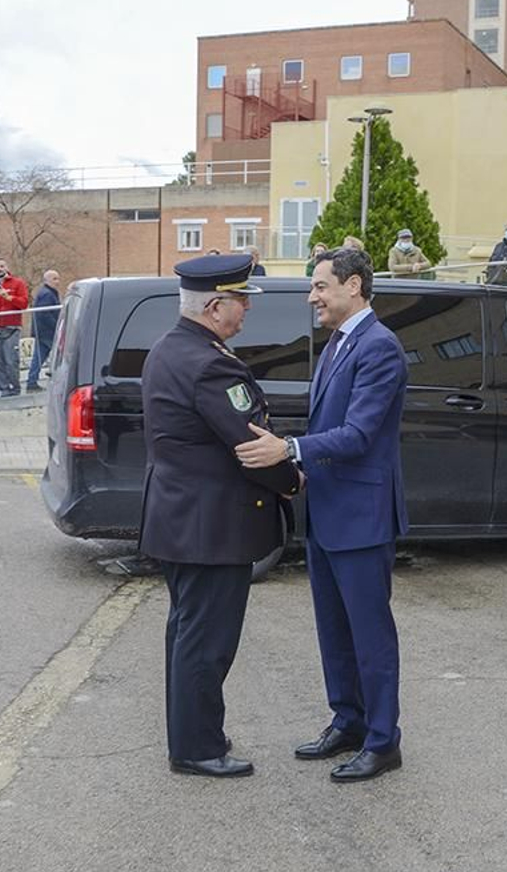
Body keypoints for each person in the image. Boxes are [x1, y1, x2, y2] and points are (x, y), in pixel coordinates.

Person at [236, 245, 408, 782]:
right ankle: (348, 721)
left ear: (353, 286)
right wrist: (303, 466)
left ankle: (382, 741)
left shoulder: (379, 347)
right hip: (328, 512)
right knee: (334, 631)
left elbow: (358, 435)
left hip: (361, 518)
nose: (312, 297)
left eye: (320, 286)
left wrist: (289, 449)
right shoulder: (337, 342)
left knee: (370, 635)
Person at [140, 254, 300, 778]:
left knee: (188, 632)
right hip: (212, 527)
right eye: (240, 300)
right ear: (214, 307)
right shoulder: (212, 364)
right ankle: (198, 748)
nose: (247, 309)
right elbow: (252, 445)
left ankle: (193, 735)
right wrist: (294, 480)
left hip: (180, 520)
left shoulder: (167, 349)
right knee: (206, 642)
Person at [0, 258, 29, 397]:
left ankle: (15, 388)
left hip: (12, 327)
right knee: (0, 362)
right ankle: (4, 389)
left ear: (6, 267)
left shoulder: (18, 283)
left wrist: (8, 297)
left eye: (2, 266)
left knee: (11, 360)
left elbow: (24, 303)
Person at [26, 269, 62, 392]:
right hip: (47, 332)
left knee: (39, 357)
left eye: (58, 278)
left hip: (43, 331)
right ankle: (35, 381)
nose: (57, 281)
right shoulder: (47, 294)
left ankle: (32, 381)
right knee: (58, 355)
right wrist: (56, 325)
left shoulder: (46, 292)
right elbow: (44, 314)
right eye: (54, 279)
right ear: (46, 280)